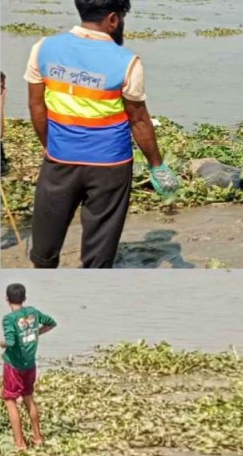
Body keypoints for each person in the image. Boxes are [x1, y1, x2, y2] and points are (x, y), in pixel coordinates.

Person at [24, 0, 176, 269]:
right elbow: (138, 120)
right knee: (99, 251)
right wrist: (157, 166)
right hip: (110, 167)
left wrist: (53, 147)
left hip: (60, 161)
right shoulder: (128, 62)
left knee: (45, 244)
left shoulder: (43, 48)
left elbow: (37, 106)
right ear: (113, 20)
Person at [1, 284, 56, 450]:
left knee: (10, 400)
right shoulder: (33, 312)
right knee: (28, 397)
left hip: (14, 366)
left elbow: (9, 342)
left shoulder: (9, 319)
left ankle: (20, 443)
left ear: (6, 299)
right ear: (24, 299)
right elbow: (51, 323)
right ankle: (38, 437)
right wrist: (37, 333)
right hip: (30, 364)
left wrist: (2, 343)